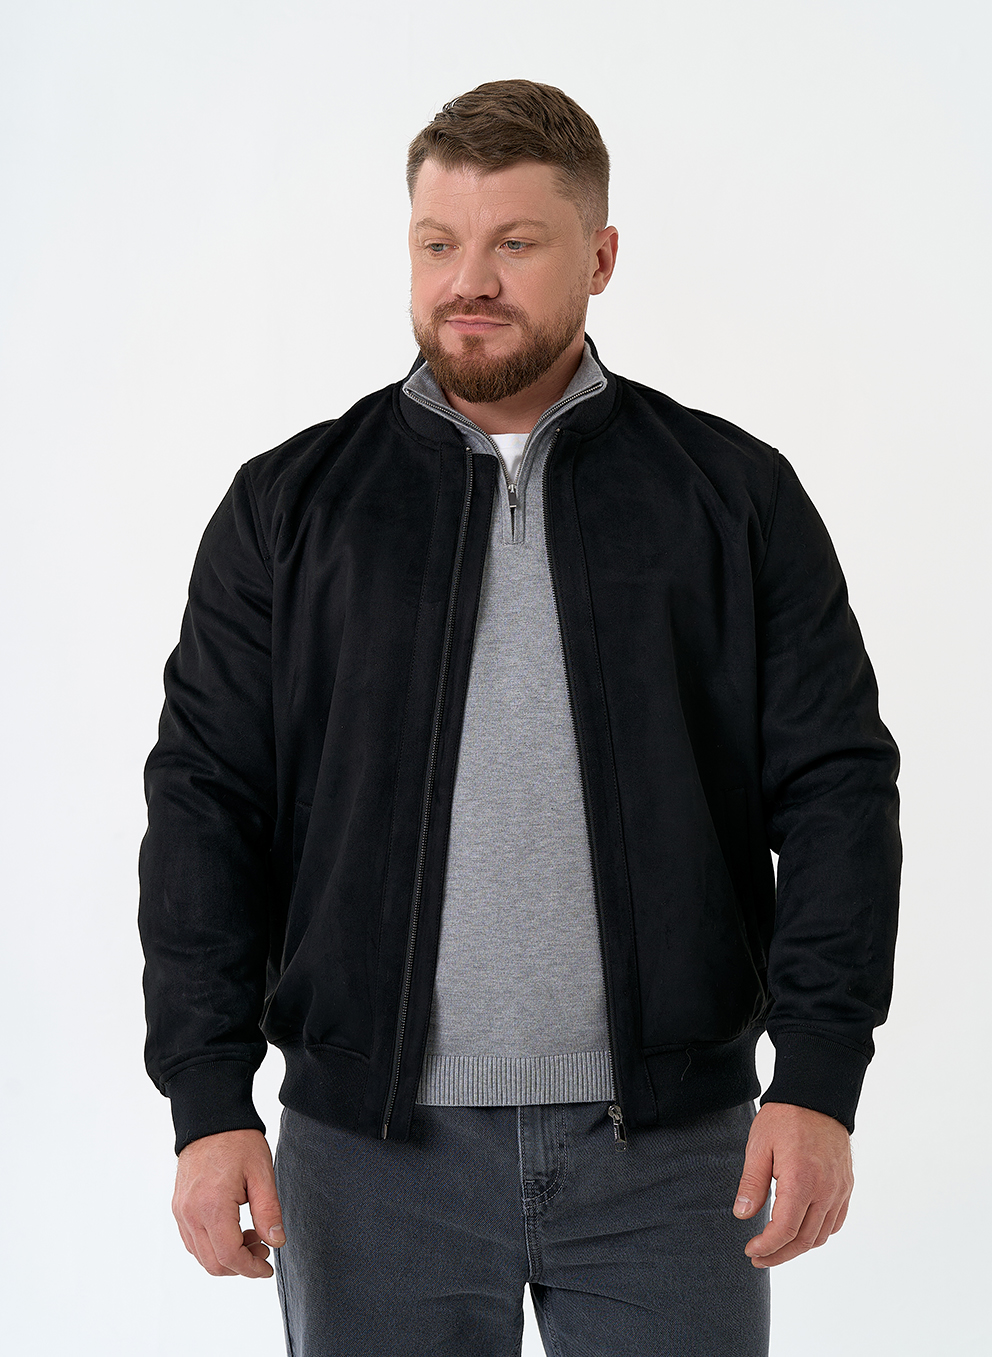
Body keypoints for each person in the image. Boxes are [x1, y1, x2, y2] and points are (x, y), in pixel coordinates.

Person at [138, 79, 901, 1357]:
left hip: (673, 1153)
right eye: (438, 243)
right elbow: (207, 804)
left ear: (599, 257)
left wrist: (818, 1078)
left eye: (514, 243)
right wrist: (208, 1098)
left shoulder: (731, 495)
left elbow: (834, 788)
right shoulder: (289, 507)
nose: (468, 281)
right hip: (369, 1157)